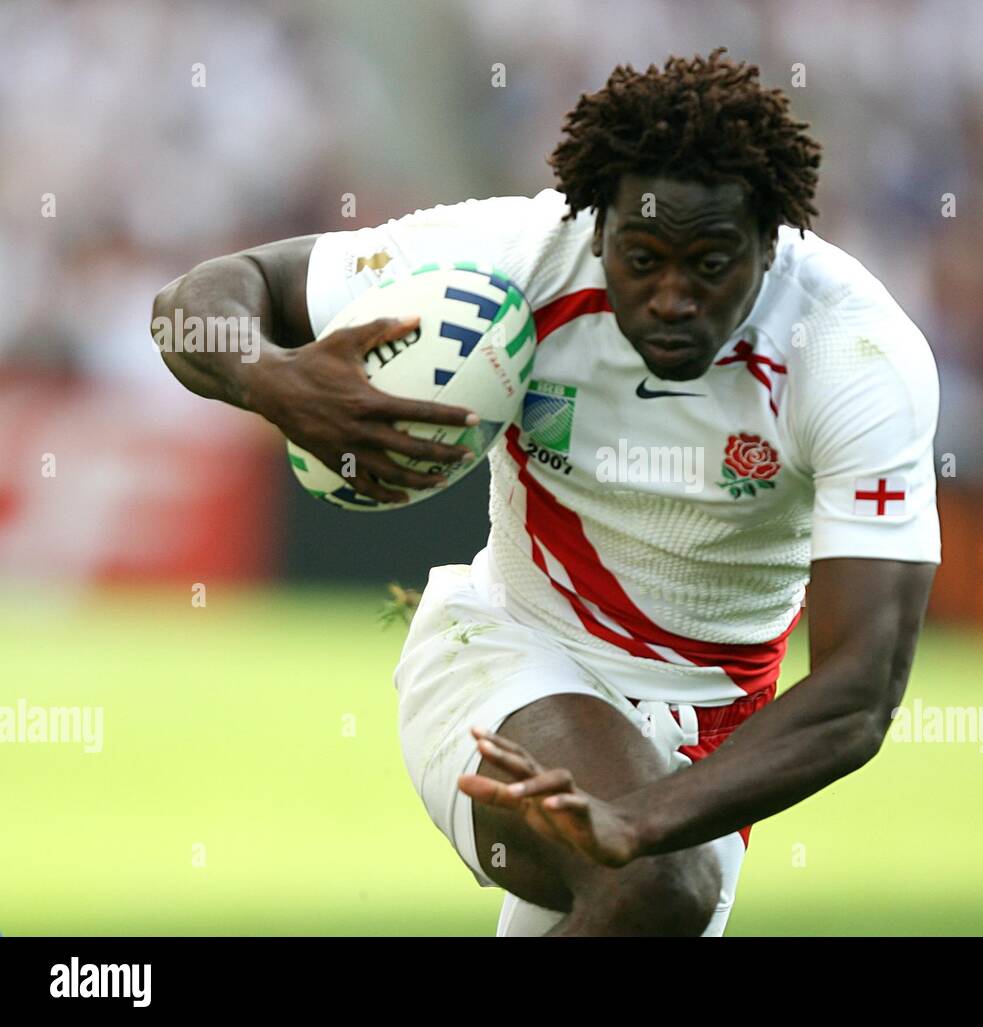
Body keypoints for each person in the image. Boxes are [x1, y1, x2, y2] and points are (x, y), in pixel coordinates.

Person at [152, 47, 941, 936]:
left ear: (771, 241)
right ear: (597, 230)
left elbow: (862, 690)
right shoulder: (522, 255)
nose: (673, 297)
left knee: (647, 883)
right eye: (642, 258)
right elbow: (197, 300)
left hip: (715, 736)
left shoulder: (854, 354)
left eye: (711, 263)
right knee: (658, 886)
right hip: (508, 650)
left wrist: (642, 811)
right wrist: (274, 379)